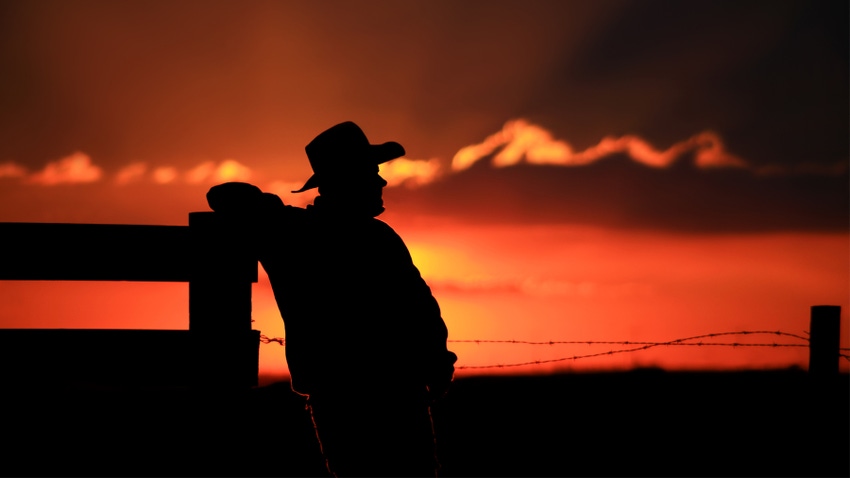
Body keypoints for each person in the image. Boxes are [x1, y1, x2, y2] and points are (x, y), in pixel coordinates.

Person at [206, 121, 457, 477]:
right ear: (349, 178)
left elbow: (224, 197)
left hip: (343, 394)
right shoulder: (362, 237)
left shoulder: (290, 233)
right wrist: (438, 363)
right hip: (393, 393)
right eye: (372, 173)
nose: (381, 182)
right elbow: (419, 307)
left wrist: (271, 211)